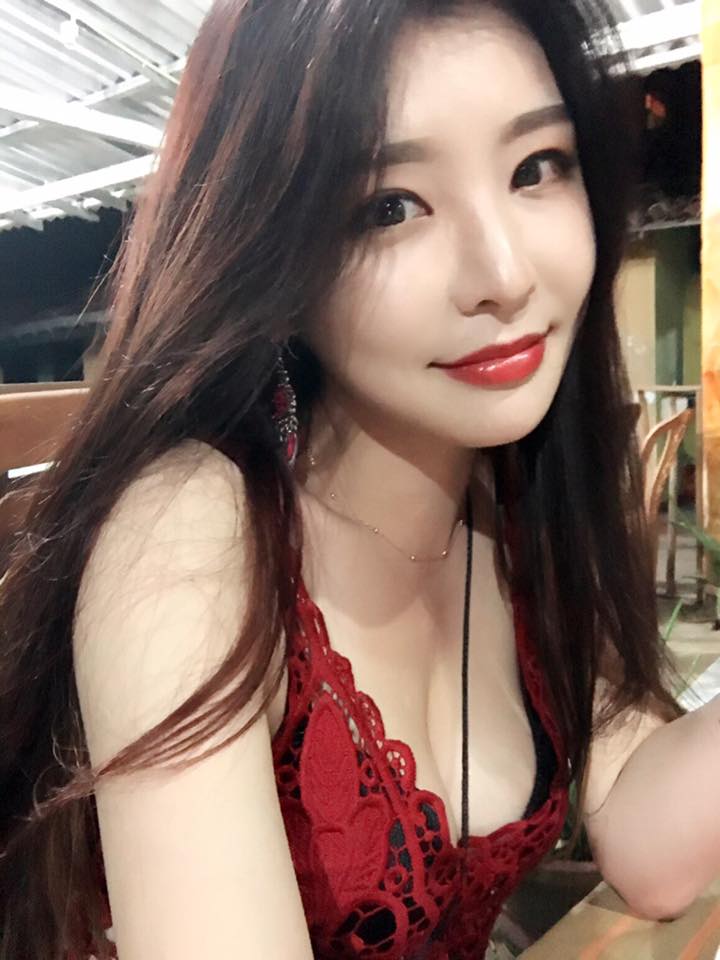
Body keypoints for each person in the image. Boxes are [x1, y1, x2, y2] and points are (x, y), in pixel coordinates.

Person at [1, 1, 718, 958]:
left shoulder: (519, 503)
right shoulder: (189, 535)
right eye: (390, 206)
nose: (504, 273)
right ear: (272, 252)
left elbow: (647, 841)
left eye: (535, 166)